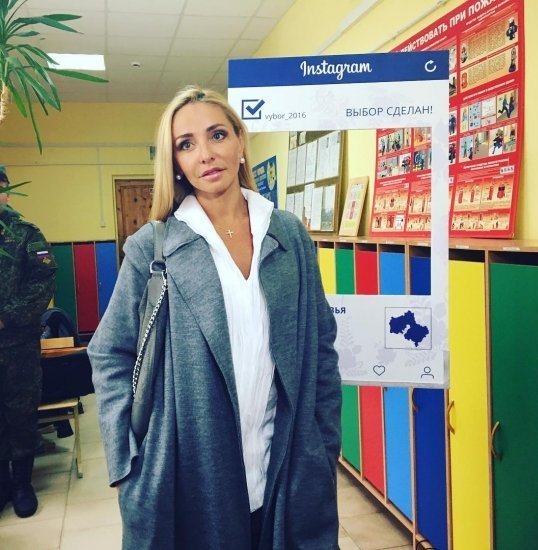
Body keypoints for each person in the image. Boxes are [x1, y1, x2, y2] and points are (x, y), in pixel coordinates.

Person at [88, 86, 342, 549]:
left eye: (217, 135)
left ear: (240, 141)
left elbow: (322, 346)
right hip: (188, 472)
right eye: (186, 144)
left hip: (286, 465)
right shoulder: (154, 247)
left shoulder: (288, 234)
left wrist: (324, 445)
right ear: (176, 162)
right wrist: (127, 463)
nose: (205, 153)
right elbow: (109, 352)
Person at [0, 166, 57, 518]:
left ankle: (22, 483)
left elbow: (44, 280)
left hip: (16, 345)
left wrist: (7, 316)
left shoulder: (26, 234)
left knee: (20, 413)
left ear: (7, 191)